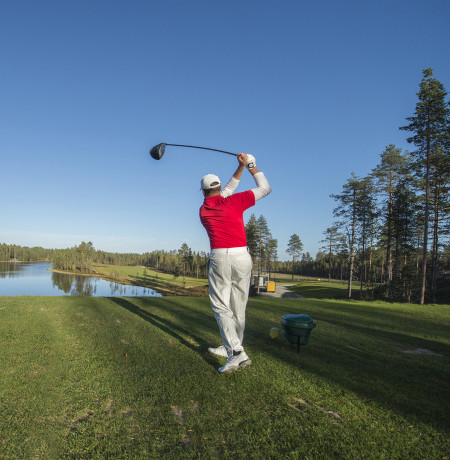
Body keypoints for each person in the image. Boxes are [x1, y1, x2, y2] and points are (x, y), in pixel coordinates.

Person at [199, 153, 272, 373]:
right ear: (220, 188)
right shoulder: (234, 201)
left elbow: (224, 191)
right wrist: (250, 166)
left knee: (221, 306)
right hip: (242, 257)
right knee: (238, 306)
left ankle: (237, 353)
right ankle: (232, 346)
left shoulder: (204, 210)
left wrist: (239, 168)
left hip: (220, 258)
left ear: (203, 192)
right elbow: (265, 188)